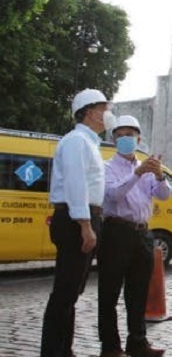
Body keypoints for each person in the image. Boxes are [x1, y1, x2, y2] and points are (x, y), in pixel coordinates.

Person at [41, 89, 116, 357]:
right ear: (89, 111)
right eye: (104, 107)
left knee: (72, 290)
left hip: (86, 217)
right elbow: (76, 184)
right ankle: (52, 351)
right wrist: (85, 224)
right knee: (65, 290)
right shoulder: (76, 141)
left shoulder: (90, 143)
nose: (108, 113)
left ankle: (64, 348)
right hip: (75, 220)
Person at [97, 116, 169, 357]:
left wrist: (159, 175)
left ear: (139, 139)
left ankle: (137, 342)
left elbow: (164, 195)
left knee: (138, 292)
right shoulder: (106, 167)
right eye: (120, 134)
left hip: (142, 233)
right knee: (109, 292)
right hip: (116, 231)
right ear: (114, 139)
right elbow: (113, 195)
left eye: (130, 134)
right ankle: (110, 347)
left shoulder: (147, 167)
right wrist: (137, 173)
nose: (125, 138)